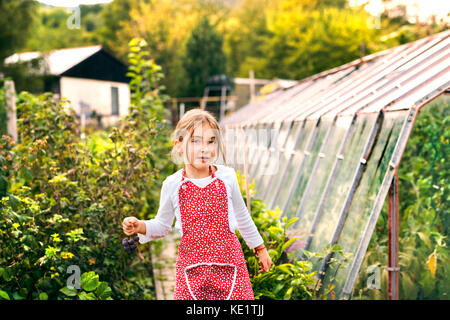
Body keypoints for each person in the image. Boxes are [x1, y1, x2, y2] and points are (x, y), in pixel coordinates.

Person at [122, 108, 272, 300]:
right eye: (196, 141)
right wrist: (140, 226)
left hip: (231, 267)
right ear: (178, 145)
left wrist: (260, 249)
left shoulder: (227, 177)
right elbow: (162, 225)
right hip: (191, 272)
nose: (205, 148)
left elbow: (242, 216)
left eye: (211, 141)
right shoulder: (173, 184)